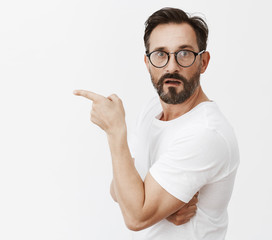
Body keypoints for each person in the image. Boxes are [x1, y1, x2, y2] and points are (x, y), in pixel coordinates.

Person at [73, 7, 239, 240]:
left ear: (203, 62)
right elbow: (117, 189)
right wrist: (159, 207)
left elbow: (135, 216)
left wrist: (115, 132)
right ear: (147, 62)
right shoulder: (153, 109)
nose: (171, 66)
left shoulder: (205, 133)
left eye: (184, 54)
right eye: (161, 54)